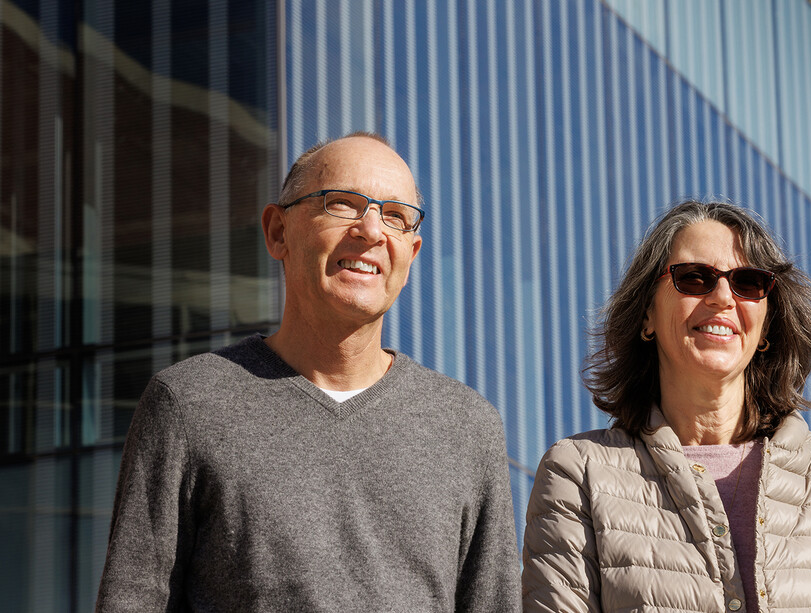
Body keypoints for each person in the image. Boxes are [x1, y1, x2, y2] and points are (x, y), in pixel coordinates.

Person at [96, 132, 520, 612]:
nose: (373, 231)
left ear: (411, 255)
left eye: (396, 217)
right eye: (342, 204)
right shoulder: (189, 403)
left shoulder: (466, 426)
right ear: (278, 232)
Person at [522, 200, 811, 612]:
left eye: (748, 283)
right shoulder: (580, 474)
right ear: (647, 315)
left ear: (765, 326)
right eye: (694, 278)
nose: (723, 297)